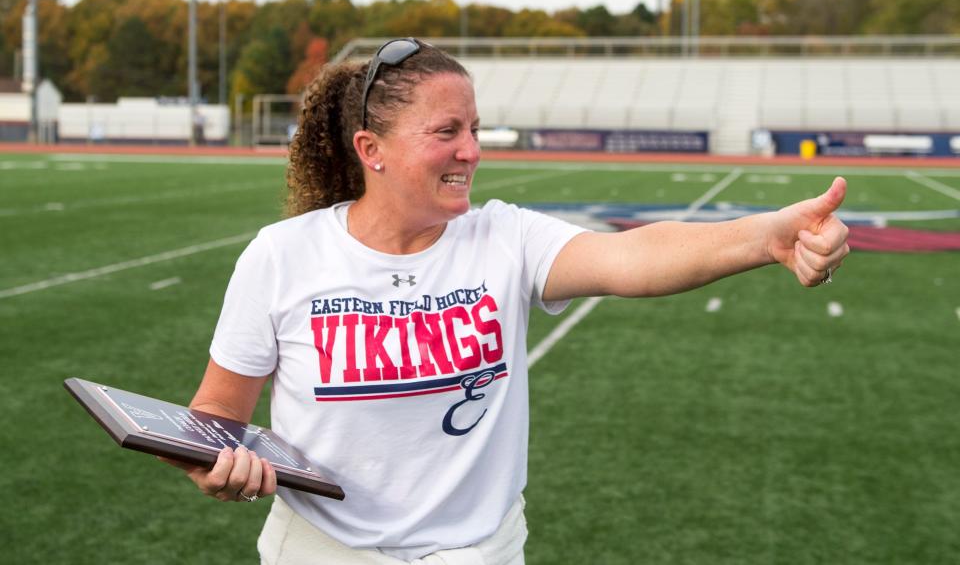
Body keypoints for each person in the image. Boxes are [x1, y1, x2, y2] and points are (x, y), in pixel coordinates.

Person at [167, 38, 850, 564]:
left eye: (475, 128)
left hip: (475, 550)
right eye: (447, 132)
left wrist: (766, 237)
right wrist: (218, 469)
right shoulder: (282, 255)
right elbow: (214, 418)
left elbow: (633, 257)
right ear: (370, 149)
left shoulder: (503, 235)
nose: (472, 150)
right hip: (318, 549)